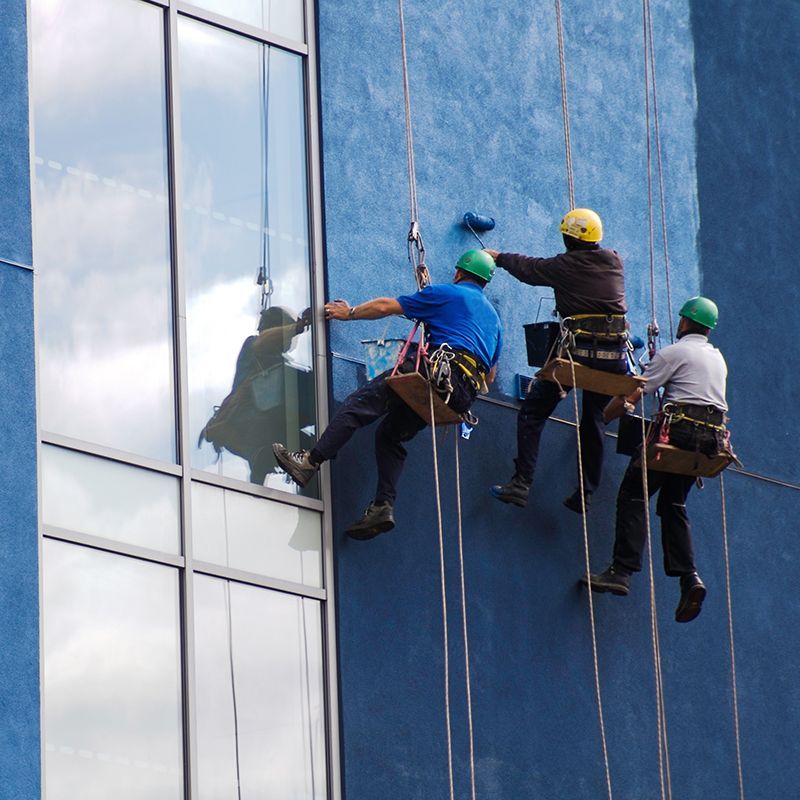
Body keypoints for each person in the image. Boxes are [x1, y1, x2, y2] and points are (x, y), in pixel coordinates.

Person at [273, 249, 503, 540]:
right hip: (459, 396)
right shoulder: (494, 320)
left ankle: (309, 462)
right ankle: (383, 505)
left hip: (437, 372)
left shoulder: (448, 294)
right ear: (485, 282)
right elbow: (491, 376)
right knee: (390, 436)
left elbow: (386, 306)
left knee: (358, 405)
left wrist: (350, 312)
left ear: (459, 273)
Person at [582, 296, 729, 623]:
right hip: (707, 442)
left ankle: (621, 571)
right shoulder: (718, 359)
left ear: (685, 322)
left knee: (633, 492)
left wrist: (600, 421)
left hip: (678, 434)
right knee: (673, 504)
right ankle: (689, 577)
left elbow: (633, 396)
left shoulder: (674, 353)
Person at [485, 208, 629, 513]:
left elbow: (530, 269)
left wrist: (498, 257)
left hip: (578, 355)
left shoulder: (565, 266)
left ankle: (521, 483)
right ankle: (586, 493)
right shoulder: (614, 261)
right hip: (613, 359)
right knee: (594, 420)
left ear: (568, 237)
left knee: (534, 412)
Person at [199, 306, 314, 485]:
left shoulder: (278, 363)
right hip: (248, 420)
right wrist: (297, 327)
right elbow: (263, 340)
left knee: (312, 449)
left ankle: (262, 458)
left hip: (261, 429)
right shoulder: (253, 345)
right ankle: (261, 457)